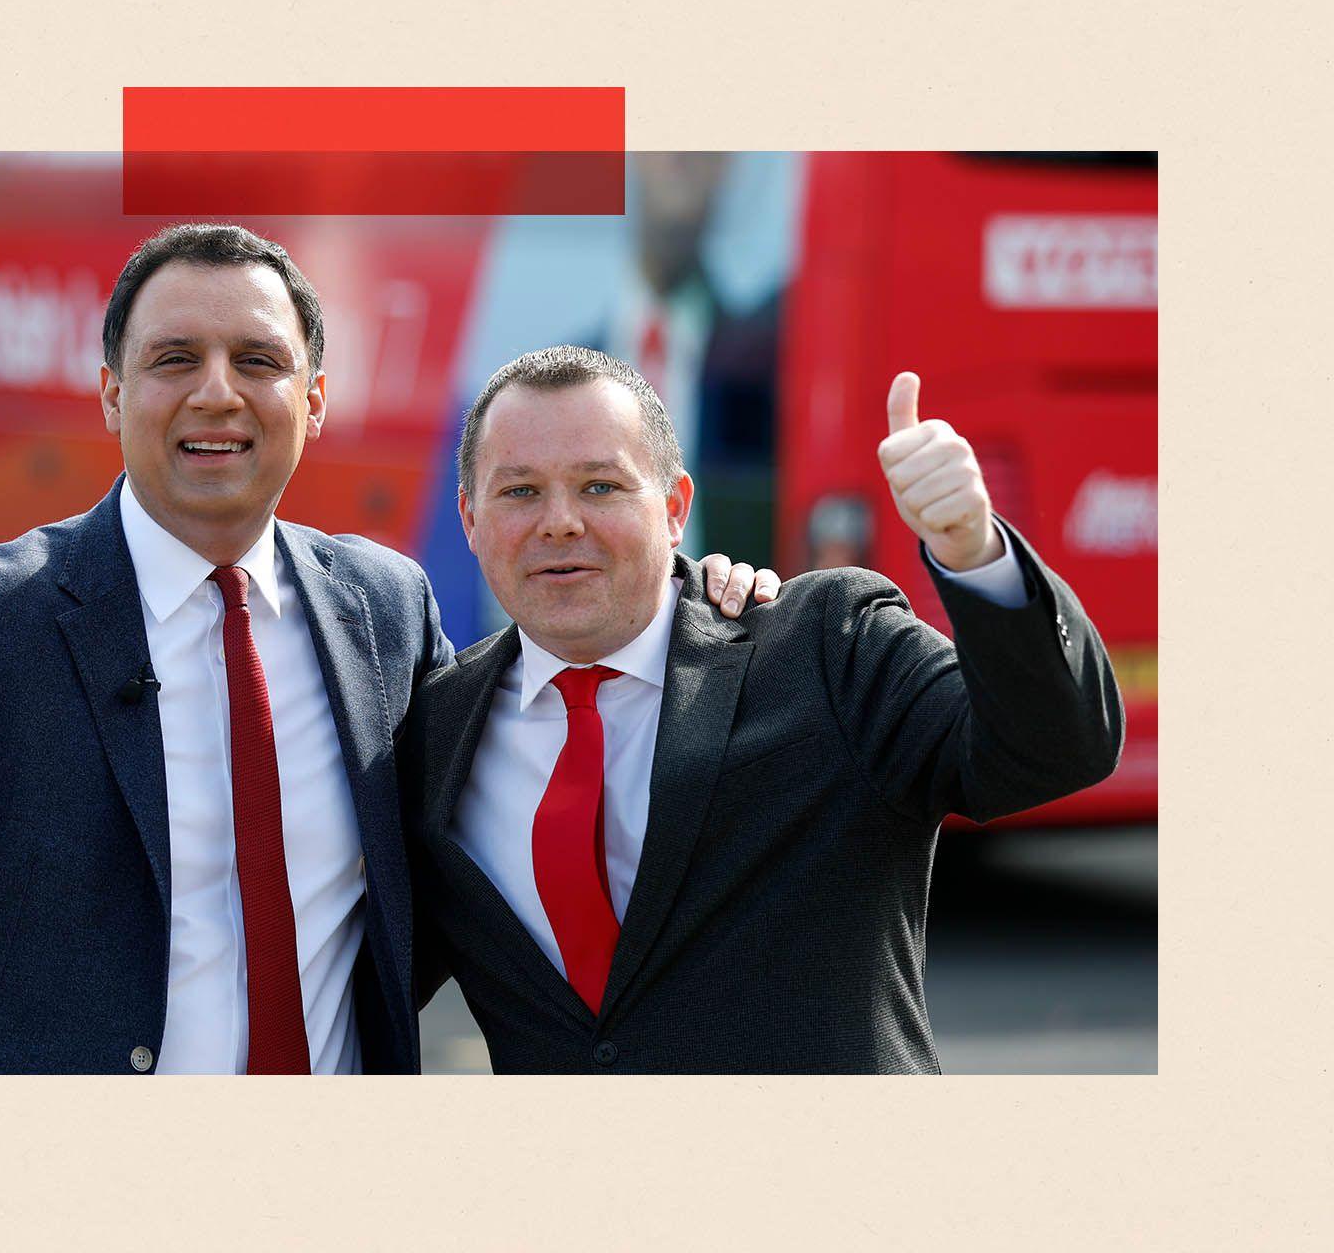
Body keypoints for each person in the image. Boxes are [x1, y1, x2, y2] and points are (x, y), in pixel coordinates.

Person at [0, 225, 769, 1075]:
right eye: (173, 357)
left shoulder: (386, 607)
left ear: (316, 400)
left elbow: (498, 829)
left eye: (258, 359)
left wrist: (697, 608)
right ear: (110, 394)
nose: (217, 393)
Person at [405, 346, 1123, 1074]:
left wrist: (975, 551)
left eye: (600, 486)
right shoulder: (435, 730)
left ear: (675, 508)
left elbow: (1054, 749)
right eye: (520, 491)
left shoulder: (826, 645)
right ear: (469, 518)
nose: (559, 522)